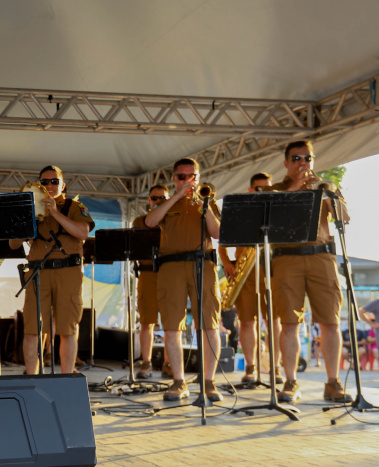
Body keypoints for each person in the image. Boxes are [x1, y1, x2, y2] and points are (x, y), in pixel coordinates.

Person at [268, 140, 351, 403]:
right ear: (286, 163)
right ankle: (291, 382)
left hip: (321, 257)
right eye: (296, 159)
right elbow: (271, 218)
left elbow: (344, 218)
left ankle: (333, 382)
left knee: (330, 321)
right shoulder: (275, 190)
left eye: (307, 158)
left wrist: (328, 194)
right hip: (287, 258)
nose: (302, 163)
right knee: (289, 322)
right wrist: (295, 187)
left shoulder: (324, 187)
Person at [144, 158, 223, 402]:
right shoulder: (168, 202)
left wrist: (204, 204)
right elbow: (150, 221)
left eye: (192, 176)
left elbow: (218, 232)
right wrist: (177, 196)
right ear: (174, 178)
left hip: (204, 264)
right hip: (171, 266)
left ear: (199, 177)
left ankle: (208, 381)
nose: (187, 180)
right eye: (181, 176)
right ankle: (178, 381)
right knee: (171, 326)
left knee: (209, 325)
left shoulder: (207, 200)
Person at [10, 166, 94, 375]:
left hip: (67, 272)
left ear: (62, 185)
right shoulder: (32, 208)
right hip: (38, 272)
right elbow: (13, 244)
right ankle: (33, 377)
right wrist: (26, 219)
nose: (49, 186)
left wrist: (55, 212)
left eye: (54, 182)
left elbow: (83, 232)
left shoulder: (74, 206)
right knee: (32, 330)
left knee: (67, 329)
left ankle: (66, 378)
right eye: (44, 182)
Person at [218, 172, 284, 385]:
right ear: (250, 190)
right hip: (244, 271)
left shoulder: (278, 212)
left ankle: (274, 368)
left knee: (274, 321)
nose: (262, 192)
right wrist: (227, 264)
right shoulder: (240, 212)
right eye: (258, 188)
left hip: (271, 269)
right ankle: (250, 368)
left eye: (267, 188)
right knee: (247, 322)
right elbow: (222, 244)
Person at [132, 184, 170, 379]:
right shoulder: (140, 221)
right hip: (147, 273)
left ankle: (169, 363)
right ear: (149, 200)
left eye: (162, 198)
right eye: (155, 198)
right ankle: (146, 364)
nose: (158, 201)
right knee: (147, 321)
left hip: (170, 272)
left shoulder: (173, 220)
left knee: (172, 322)